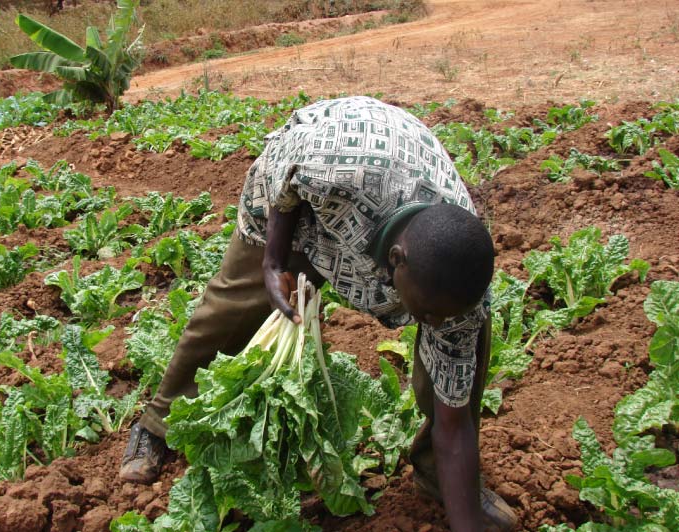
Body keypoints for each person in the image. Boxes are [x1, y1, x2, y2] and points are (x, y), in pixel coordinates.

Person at [119, 96, 518, 531]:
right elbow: (286, 170)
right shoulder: (337, 170)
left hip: (394, 223)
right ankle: (157, 425)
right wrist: (273, 262)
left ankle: (438, 476)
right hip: (299, 203)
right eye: (424, 313)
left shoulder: (456, 300)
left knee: (458, 370)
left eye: (441, 317)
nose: (434, 325)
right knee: (233, 305)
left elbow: (456, 423)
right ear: (396, 260)